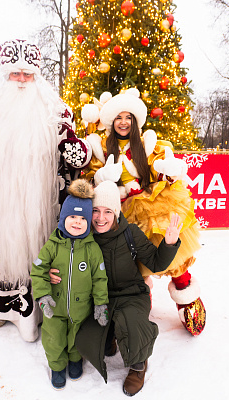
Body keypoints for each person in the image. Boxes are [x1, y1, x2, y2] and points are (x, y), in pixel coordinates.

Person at [0, 39, 92, 341]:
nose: (21, 80)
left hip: (39, 200)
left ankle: (35, 306)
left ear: (37, 75)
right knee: (1, 247)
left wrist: (77, 152)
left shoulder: (55, 110)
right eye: (15, 74)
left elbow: (72, 147)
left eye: (28, 74)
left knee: (39, 247)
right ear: (4, 75)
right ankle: (4, 303)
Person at [80, 88, 206, 336]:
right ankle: (139, 302)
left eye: (128, 117)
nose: (124, 122)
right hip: (119, 207)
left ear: (135, 120)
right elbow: (89, 178)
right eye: (118, 117)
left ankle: (187, 298)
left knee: (171, 247)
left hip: (151, 202)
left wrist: (166, 170)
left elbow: (164, 169)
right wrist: (103, 176)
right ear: (111, 121)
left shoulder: (149, 144)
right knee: (130, 262)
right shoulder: (102, 146)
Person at [50, 179, 181, 396]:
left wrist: (169, 244)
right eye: (96, 211)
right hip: (100, 298)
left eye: (108, 212)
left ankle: (138, 366)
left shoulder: (130, 233)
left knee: (132, 324)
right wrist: (50, 272)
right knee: (85, 337)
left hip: (131, 294)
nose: (101, 218)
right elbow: (63, 257)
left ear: (116, 213)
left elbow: (156, 263)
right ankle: (109, 335)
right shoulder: (83, 235)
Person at [30, 179, 108, 390]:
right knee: (54, 339)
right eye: (72, 217)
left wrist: (101, 304)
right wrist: (43, 296)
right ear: (63, 218)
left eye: (82, 218)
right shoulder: (52, 245)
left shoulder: (92, 249)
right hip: (54, 308)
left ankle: (75, 360)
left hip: (81, 308)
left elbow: (100, 279)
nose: (77, 222)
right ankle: (56, 366)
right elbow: (38, 270)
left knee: (76, 337)